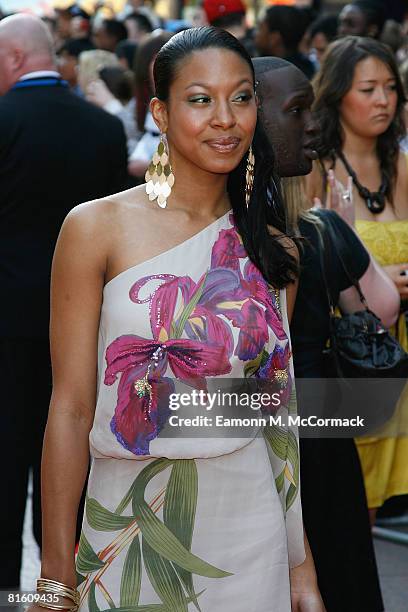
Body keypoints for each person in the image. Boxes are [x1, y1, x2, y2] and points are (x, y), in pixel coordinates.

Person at [36, 26, 325, 612]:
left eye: (241, 97)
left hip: (253, 531)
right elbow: (70, 408)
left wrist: (302, 571)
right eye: (200, 99)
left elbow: (277, 420)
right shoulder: (95, 228)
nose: (225, 118)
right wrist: (53, 576)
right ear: (161, 113)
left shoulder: (274, 250)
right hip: (127, 527)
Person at [254, 55, 396, 612]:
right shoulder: (309, 231)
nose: (312, 125)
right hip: (309, 433)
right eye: (297, 110)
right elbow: (381, 307)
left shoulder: (289, 231)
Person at [0, 13, 128, 588]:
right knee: (73, 443)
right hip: (87, 319)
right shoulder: (103, 127)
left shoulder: (3, 119)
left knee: (8, 454)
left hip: (8, 318)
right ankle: (70, 576)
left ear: (12, 58)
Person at [308, 35, 408, 522]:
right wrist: (373, 277)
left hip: (397, 359)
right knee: (347, 510)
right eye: (368, 88)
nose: (383, 100)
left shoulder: (399, 166)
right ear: (337, 94)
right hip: (350, 362)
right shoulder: (316, 171)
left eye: (391, 88)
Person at [255, 5, 315, 79]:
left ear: (274, 38)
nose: (256, 34)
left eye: (260, 29)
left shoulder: (263, 74)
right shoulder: (308, 69)